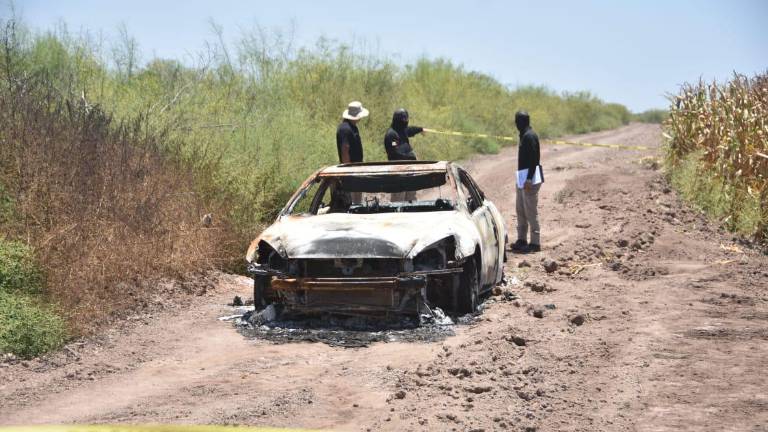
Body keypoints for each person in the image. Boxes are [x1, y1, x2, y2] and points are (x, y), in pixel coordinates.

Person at [512, 111, 544, 253]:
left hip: (529, 178)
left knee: (530, 211)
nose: (516, 124)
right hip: (522, 177)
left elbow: (534, 160)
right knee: (520, 210)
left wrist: (529, 178)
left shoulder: (529, 136)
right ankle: (522, 239)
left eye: (517, 121)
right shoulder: (524, 135)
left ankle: (535, 243)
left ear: (521, 122)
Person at [384, 108, 425, 202]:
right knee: (398, 200)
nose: (406, 122)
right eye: (404, 120)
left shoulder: (401, 130)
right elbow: (395, 152)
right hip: (398, 172)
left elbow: (410, 130)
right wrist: (412, 157)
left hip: (409, 170)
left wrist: (420, 129)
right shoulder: (391, 135)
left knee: (411, 199)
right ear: (398, 120)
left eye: (406, 120)